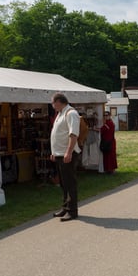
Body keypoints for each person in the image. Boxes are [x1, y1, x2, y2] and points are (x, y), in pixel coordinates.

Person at [49, 93, 81, 222]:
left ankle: (72, 211)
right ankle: (65, 208)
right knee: (63, 183)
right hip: (60, 154)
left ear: (59, 101)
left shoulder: (71, 113)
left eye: (53, 102)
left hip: (67, 154)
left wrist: (68, 152)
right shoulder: (60, 113)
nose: (52, 105)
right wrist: (54, 152)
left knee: (69, 183)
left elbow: (73, 134)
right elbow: (58, 134)